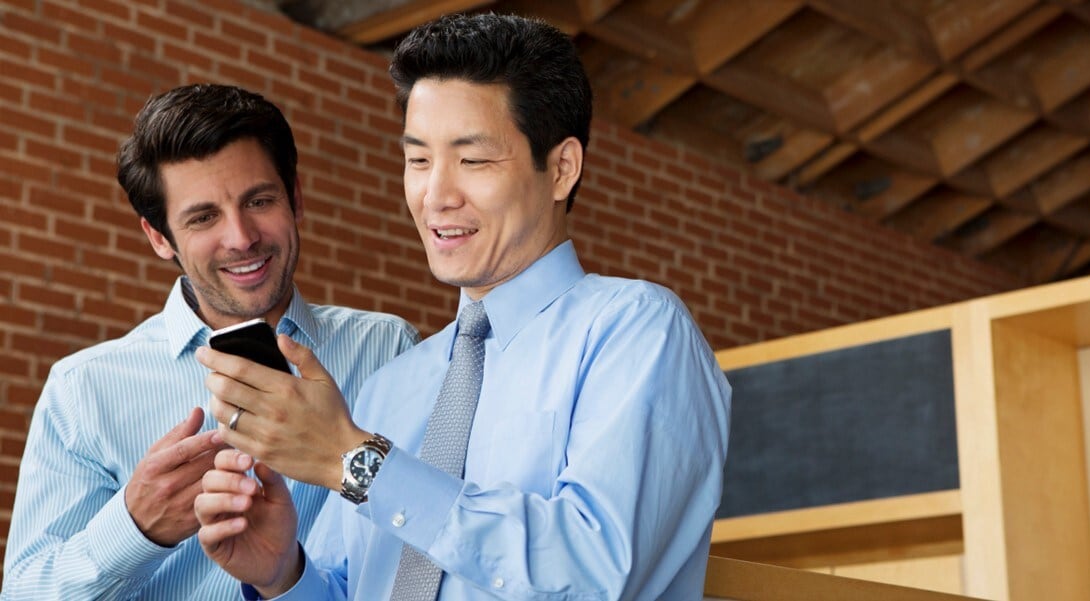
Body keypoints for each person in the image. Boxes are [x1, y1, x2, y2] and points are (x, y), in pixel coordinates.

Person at [194, 13, 731, 600]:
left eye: (472, 161)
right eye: (419, 160)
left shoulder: (637, 332)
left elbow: (594, 575)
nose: (436, 196)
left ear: (561, 168)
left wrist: (356, 462)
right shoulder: (389, 388)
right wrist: (282, 576)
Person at [1, 84, 420, 600]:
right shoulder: (82, 390)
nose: (242, 237)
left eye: (260, 201)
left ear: (296, 198)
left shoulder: (388, 349)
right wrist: (136, 527)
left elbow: (422, 553)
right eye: (203, 218)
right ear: (159, 237)